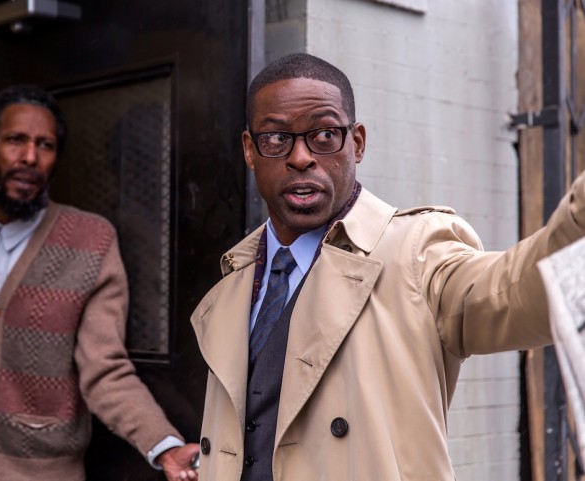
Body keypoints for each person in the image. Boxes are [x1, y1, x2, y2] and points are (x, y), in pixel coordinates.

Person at [190, 52, 585, 481]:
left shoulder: (416, 253)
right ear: (250, 150)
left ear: (357, 142)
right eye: (276, 139)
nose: (301, 156)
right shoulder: (237, 278)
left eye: (324, 134)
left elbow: (515, 291)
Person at [0, 85, 199, 481]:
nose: (30, 156)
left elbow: (105, 369)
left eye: (44, 145)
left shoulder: (90, 240)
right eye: (15, 140)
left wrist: (163, 445)